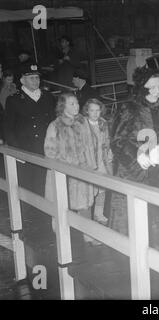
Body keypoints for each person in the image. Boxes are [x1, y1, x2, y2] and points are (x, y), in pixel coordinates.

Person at [109, 66, 159, 251]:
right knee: (130, 221)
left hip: (153, 171)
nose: (157, 92)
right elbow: (117, 141)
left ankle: (154, 254)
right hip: (131, 173)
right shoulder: (129, 108)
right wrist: (137, 155)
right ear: (141, 88)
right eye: (151, 88)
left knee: (154, 216)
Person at [44, 93, 99, 244]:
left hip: (82, 171)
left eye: (76, 103)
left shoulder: (83, 121)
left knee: (85, 204)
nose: (76, 106)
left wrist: (91, 166)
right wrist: (66, 163)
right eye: (71, 104)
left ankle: (88, 235)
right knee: (61, 205)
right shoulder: (55, 125)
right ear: (63, 106)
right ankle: (60, 234)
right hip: (63, 173)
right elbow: (49, 151)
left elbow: (89, 146)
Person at [4, 63, 56, 197]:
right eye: (31, 78)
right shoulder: (14, 100)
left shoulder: (48, 97)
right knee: (30, 189)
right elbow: (8, 128)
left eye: (37, 78)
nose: (36, 81)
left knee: (48, 188)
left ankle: (47, 217)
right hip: (26, 152)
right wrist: (17, 152)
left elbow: (54, 123)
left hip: (46, 150)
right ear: (22, 80)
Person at [82, 98, 113, 225]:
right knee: (91, 189)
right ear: (87, 111)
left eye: (97, 110)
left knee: (102, 188)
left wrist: (109, 151)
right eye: (92, 110)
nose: (95, 113)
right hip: (90, 161)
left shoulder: (103, 123)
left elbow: (107, 140)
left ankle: (98, 213)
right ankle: (88, 217)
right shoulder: (83, 124)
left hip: (102, 160)